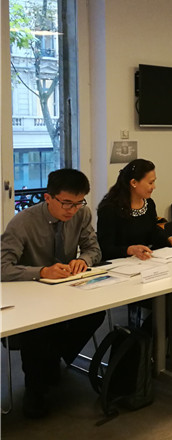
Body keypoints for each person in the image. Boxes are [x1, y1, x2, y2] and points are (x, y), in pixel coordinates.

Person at [0, 168, 106, 418]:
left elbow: (94, 249)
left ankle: (52, 360)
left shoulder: (82, 214)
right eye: (67, 203)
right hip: (28, 295)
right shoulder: (23, 222)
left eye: (78, 203)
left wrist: (84, 261)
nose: (72, 210)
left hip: (65, 291)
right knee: (38, 330)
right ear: (48, 197)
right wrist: (41, 271)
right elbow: (3, 267)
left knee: (95, 314)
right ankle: (35, 390)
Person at [97, 159, 172, 260]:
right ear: (134, 182)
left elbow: (153, 231)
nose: (154, 187)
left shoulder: (149, 204)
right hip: (119, 264)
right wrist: (129, 250)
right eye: (150, 183)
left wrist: (170, 239)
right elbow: (105, 248)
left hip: (145, 261)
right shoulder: (109, 209)